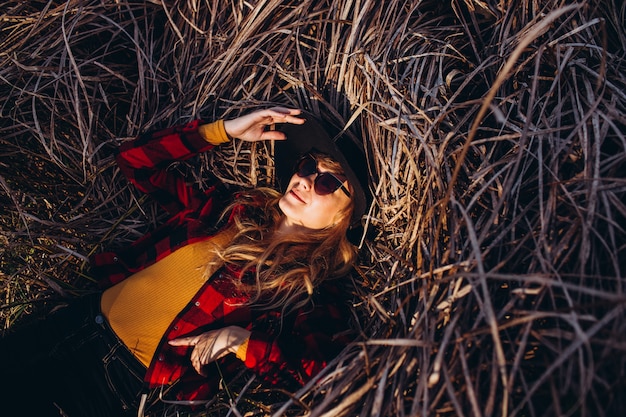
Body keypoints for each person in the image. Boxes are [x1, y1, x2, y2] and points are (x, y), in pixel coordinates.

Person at [0, 107, 370, 416]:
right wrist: (224, 130)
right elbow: (135, 162)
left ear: (345, 217)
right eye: (306, 167)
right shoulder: (230, 212)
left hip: (118, 383)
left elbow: (326, 380)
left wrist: (242, 342)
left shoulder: (306, 291)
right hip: (78, 321)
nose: (306, 180)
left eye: (327, 182)